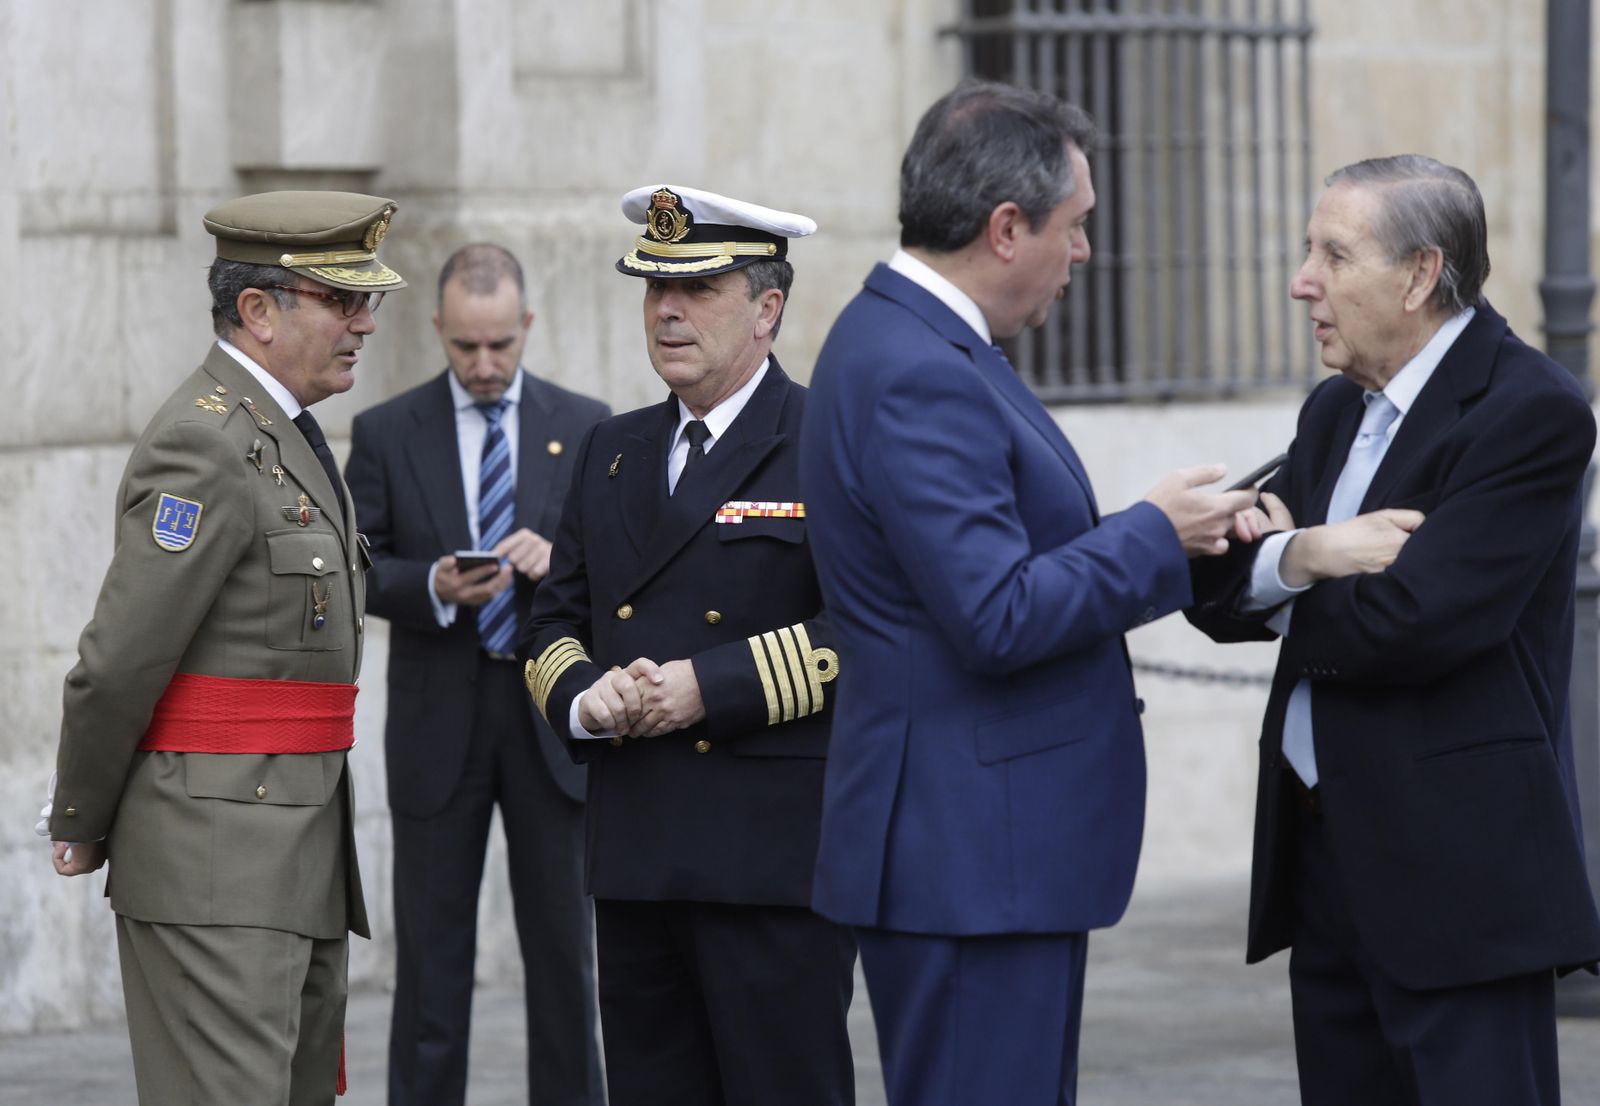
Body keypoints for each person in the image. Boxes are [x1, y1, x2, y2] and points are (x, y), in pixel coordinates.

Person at [798, 80, 1256, 1106]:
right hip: (966, 857)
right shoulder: (920, 366)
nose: (1084, 252)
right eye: (1074, 225)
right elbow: (994, 612)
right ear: (1006, 228)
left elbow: (987, 570)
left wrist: (1167, 535)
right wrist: (1153, 533)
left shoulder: (929, 345)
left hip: (982, 852)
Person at [1187, 154, 1600, 1105]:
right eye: (1307, 252)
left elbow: (1418, 622)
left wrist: (1284, 569)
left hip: (1457, 880)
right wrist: (1308, 556)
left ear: (1419, 274)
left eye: (1334, 254)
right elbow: (1205, 581)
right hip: (1326, 864)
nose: (1303, 282)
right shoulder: (1335, 409)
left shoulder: (1529, 411)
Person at [37, 191, 406, 1104]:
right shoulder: (204, 443)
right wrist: (79, 818)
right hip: (216, 862)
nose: (365, 323)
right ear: (258, 310)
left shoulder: (283, 434)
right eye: (341, 301)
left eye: (368, 301)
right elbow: (119, 663)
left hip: (290, 852)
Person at [520, 184, 856, 1106]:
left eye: (699, 290)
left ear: (768, 309)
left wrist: (711, 685)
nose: (667, 312)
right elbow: (552, 622)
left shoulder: (828, 438)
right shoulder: (610, 449)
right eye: (654, 290)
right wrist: (587, 698)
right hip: (637, 852)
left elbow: (867, 628)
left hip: (769, 864)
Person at [344, 243, 608, 1106]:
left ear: (527, 325)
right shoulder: (387, 430)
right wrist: (430, 583)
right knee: (430, 959)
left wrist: (558, 559)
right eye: (466, 347)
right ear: (438, 332)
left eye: (501, 344)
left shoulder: (590, 424)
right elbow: (355, 566)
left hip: (546, 718)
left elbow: (619, 573)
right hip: (438, 722)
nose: (486, 366)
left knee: (566, 959)